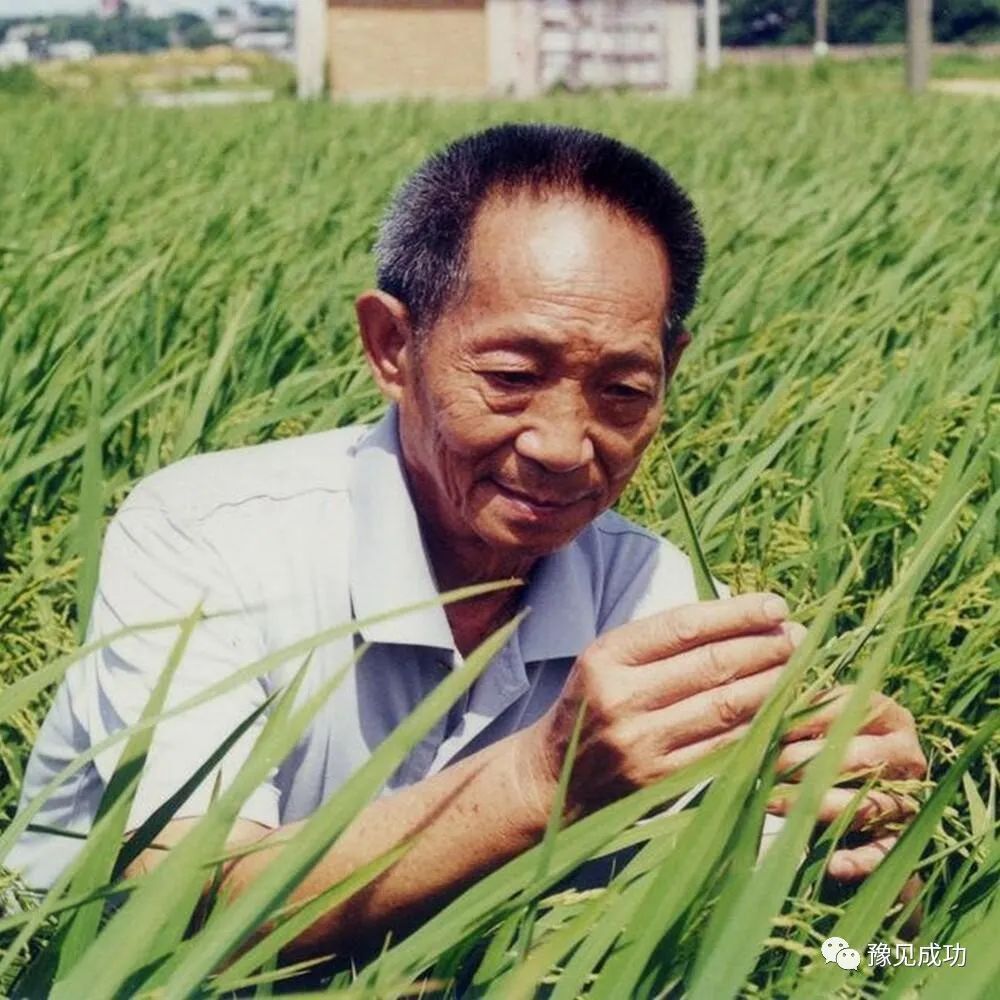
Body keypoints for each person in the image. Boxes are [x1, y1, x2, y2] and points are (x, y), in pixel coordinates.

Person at [10, 124, 925, 958]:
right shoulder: (202, 537)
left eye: (623, 391)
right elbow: (181, 900)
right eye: (512, 376)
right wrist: (544, 781)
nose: (565, 447)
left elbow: (816, 942)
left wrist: (865, 857)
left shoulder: (646, 584)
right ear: (391, 346)